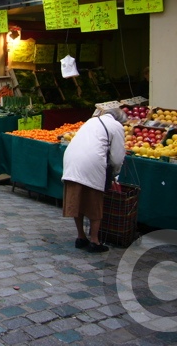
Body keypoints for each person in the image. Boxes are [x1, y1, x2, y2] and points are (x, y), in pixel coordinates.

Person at [61, 108, 127, 253]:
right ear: (120, 120)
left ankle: (81, 236)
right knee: (94, 202)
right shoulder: (117, 126)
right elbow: (117, 157)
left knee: (76, 200)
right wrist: (115, 173)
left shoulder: (92, 120)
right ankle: (95, 241)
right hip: (92, 162)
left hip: (71, 159)